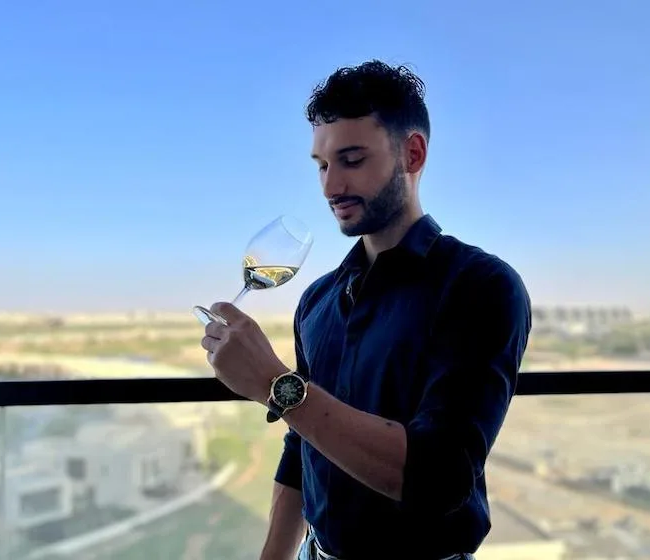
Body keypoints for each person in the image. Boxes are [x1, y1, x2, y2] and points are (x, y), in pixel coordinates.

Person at [201, 60, 532, 560]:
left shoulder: (480, 286)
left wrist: (273, 383)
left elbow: (439, 477)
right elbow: (303, 442)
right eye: (321, 165)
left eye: (351, 159)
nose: (330, 186)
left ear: (412, 154)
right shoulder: (317, 301)